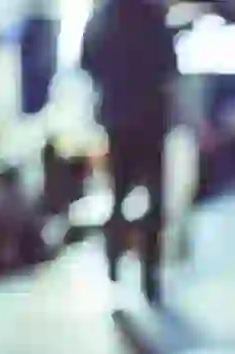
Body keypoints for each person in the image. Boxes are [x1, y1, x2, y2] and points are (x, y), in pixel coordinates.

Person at [80, 0, 176, 304]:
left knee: (118, 195)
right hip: (151, 117)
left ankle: (114, 261)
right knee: (155, 198)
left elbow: (87, 62)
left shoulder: (103, 15)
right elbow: (169, 65)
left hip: (116, 117)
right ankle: (151, 271)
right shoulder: (153, 14)